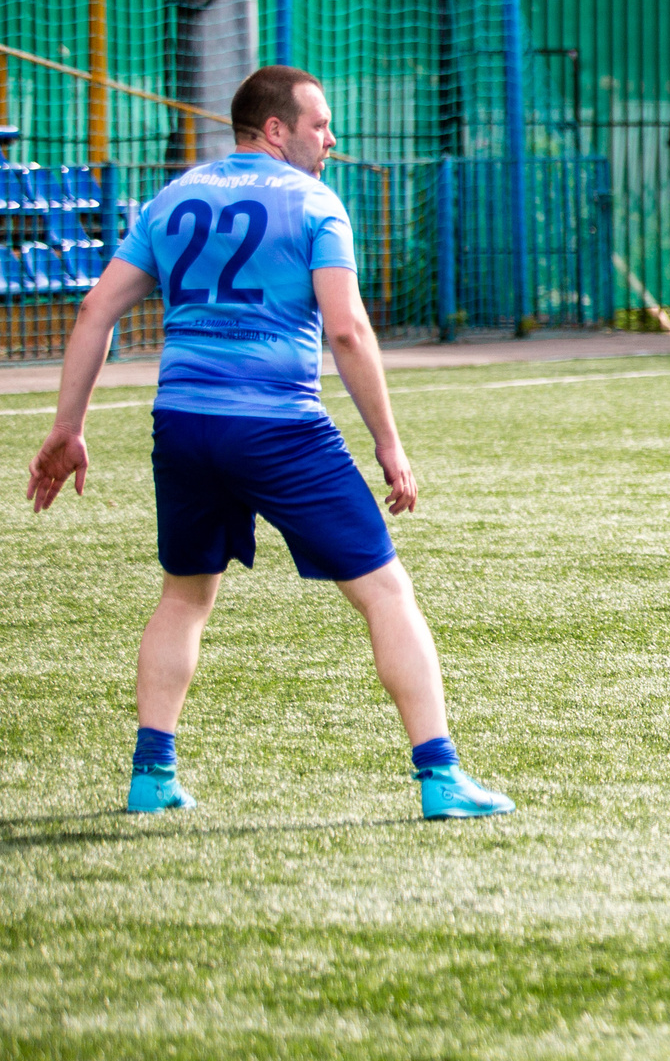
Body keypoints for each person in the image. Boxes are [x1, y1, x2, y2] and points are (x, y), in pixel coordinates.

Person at [25, 67, 514, 821]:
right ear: (277, 129)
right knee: (385, 591)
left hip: (182, 422)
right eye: (321, 124)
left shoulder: (174, 196)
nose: (332, 139)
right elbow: (347, 329)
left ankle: (152, 773)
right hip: (279, 425)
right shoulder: (316, 202)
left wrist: (69, 426)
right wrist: (389, 443)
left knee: (184, 593)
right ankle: (441, 776)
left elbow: (96, 307)